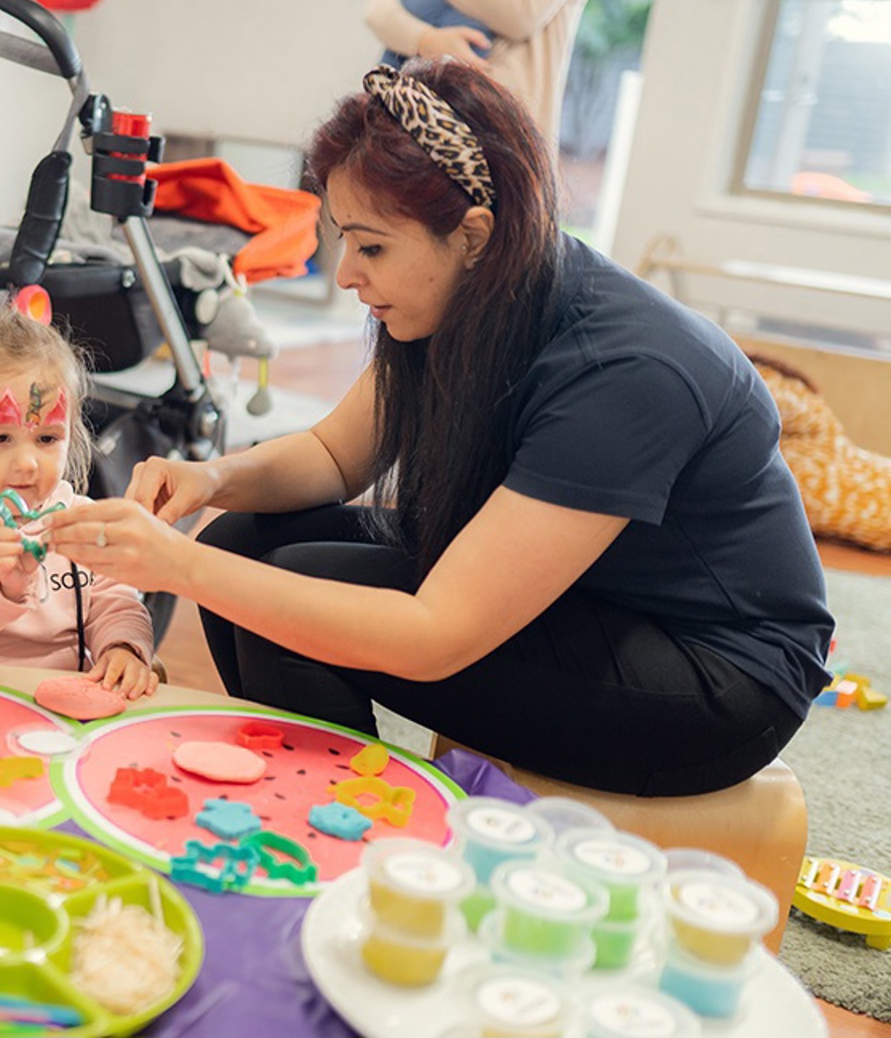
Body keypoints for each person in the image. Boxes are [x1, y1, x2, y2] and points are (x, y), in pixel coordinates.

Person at [44, 60, 833, 797]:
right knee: (238, 539)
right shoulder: (464, 300)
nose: (347, 273)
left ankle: (345, 825)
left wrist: (176, 567)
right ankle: (318, 800)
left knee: (258, 593)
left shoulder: (624, 372)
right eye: (344, 239)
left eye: (372, 247)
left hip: (716, 672)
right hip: (591, 594)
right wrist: (211, 480)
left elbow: (433, 636)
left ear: (475, 236)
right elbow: (329, 454)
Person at [0, 308, 158, 697]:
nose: (26, 463)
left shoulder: (82, 522)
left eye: (47, 439)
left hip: (65, 705)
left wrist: (122, 646)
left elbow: (117, 602)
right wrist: (3, 586)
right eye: (1, 439)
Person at [365, 0, 594, 146]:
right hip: (397, 104)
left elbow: (522, 11)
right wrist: (426, 40)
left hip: (497, 126)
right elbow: (377, 3)